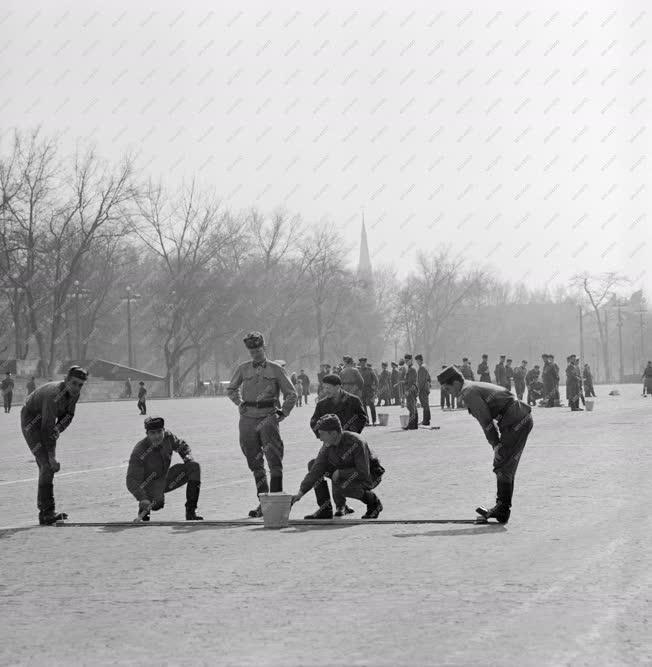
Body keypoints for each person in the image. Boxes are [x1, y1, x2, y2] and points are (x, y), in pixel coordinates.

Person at [437, 365, 533, 524]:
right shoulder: (469, 386)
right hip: (516, 419)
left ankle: (502, 509)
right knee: (505, 465)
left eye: (447, 389)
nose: (448, 393)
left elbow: (486, 422)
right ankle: (502, 508)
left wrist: (496, 445)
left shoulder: (468, 392)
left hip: (516, 421)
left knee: (502, 462)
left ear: (455, 383)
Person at [227, 331, 297, 517]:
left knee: (274, 459)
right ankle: (263, 504)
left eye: (258, 350)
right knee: (254, 461)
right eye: (252, 351)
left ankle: (275, 501)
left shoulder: (275, 369)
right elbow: (231, 388)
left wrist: (283, 412)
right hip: (248, 419)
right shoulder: (243, 369)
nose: (255, 354)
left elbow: (291, 393)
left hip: (268, 417)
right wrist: (239, 402)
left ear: (263, 348)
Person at [21, 366, 88, 525]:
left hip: (46, 423)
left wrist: (59, 428)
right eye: (74, 383)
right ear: (66, 380)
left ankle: (44, 510)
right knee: (47, 464)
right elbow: (46, 429)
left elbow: (69, 415)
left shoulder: (74, 394)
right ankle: (47, 512)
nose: (77, 388)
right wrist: (52, 456)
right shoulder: (54, 395)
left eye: (80, 385)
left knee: (45, 466)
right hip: (31, 420)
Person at [291, 414, 384, 520]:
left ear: (334, 433)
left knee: (342, 485)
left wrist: (341, 473)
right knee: (313, 464)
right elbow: (316, 470)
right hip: (346, 472)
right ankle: (325, 509)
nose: (320, 438)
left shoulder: (356, 442)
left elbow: (363, 472)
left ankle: (374, 503)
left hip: (370, 475)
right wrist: (300, 493)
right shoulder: (327, 445)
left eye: (322, 434)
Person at [126, 416, 203, 521]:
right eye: (152, 433)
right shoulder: (140, 450)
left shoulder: (168, 437)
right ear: (147, 434)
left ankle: (191, 512)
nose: (157, 436)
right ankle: (144, 508)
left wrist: (187, 458)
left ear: (164, 430)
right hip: (149, 485)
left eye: (159, 432)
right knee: (157, 503)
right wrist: (142, 498)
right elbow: (131, 480)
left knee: (194, 467)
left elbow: (181, 446)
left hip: (165, 478)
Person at [359, 357, 378, 426]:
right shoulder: (358, 370)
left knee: (371, 405)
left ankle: (374, 420)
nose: (362, 364)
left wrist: (375, 390)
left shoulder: (370, 370)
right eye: (361, 363)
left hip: (369, 390)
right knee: (363, 406)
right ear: (360, 363)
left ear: (366, 363)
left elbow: (376, 380)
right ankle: (366, 421)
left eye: (364, 363)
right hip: (362, 390)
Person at [403, 354, 418, 429]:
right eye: (405, 361)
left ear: (411, 360)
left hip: (411, 391)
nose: (406, 362)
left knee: (411, 408)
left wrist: (408, 391)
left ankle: (411, 425)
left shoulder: (412, 369)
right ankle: (414, 425)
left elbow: (413, 382)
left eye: (407, 361)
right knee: (412, 407)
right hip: (410, 390)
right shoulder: (409, 368)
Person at [415, 354, 431, 426]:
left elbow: (421, 381)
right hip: (426, 388)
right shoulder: (425, 366)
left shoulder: (421, 368)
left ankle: (425, 421)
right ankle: (427, 419)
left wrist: (418, 390)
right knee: (426, 405)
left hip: (423, 389)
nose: (417, 362)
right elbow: (429, 378)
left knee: (425, 405)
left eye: (417, 361)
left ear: (419, 360)